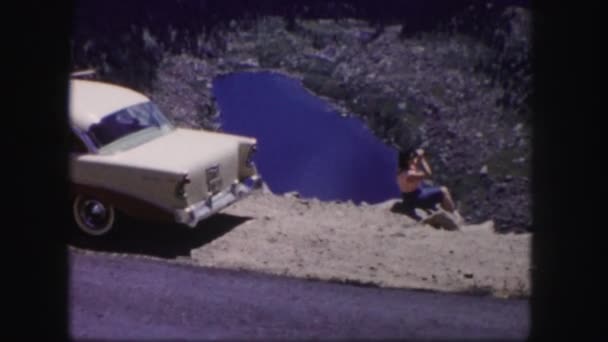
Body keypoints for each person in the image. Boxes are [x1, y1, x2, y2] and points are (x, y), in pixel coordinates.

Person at [396, 148, 463, 227]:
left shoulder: (402, 170)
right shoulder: (410, 175)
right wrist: (423, 160)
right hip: (416, 198)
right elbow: (428, 174)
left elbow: (414, 164)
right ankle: (453, 214)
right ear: (407, 160)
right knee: (443, 190)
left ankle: (445, 210)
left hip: (409, 196)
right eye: (411, 157)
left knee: (434, 192)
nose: (413, 159)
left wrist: (419, 156)